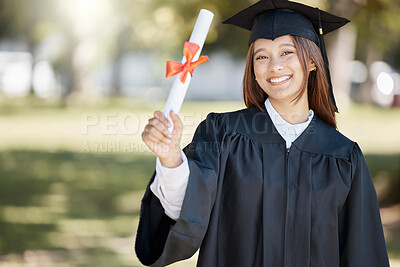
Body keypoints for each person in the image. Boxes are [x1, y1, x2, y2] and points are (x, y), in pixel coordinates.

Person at [135, 0, 390, 266]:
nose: (274, 66)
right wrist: (171, 159)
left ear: (313, 61)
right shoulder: (222, 135)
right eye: (261, 56)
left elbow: (363, 251)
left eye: (287, 52)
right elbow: (188, 207)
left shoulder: (343, 156)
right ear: (253, 69)